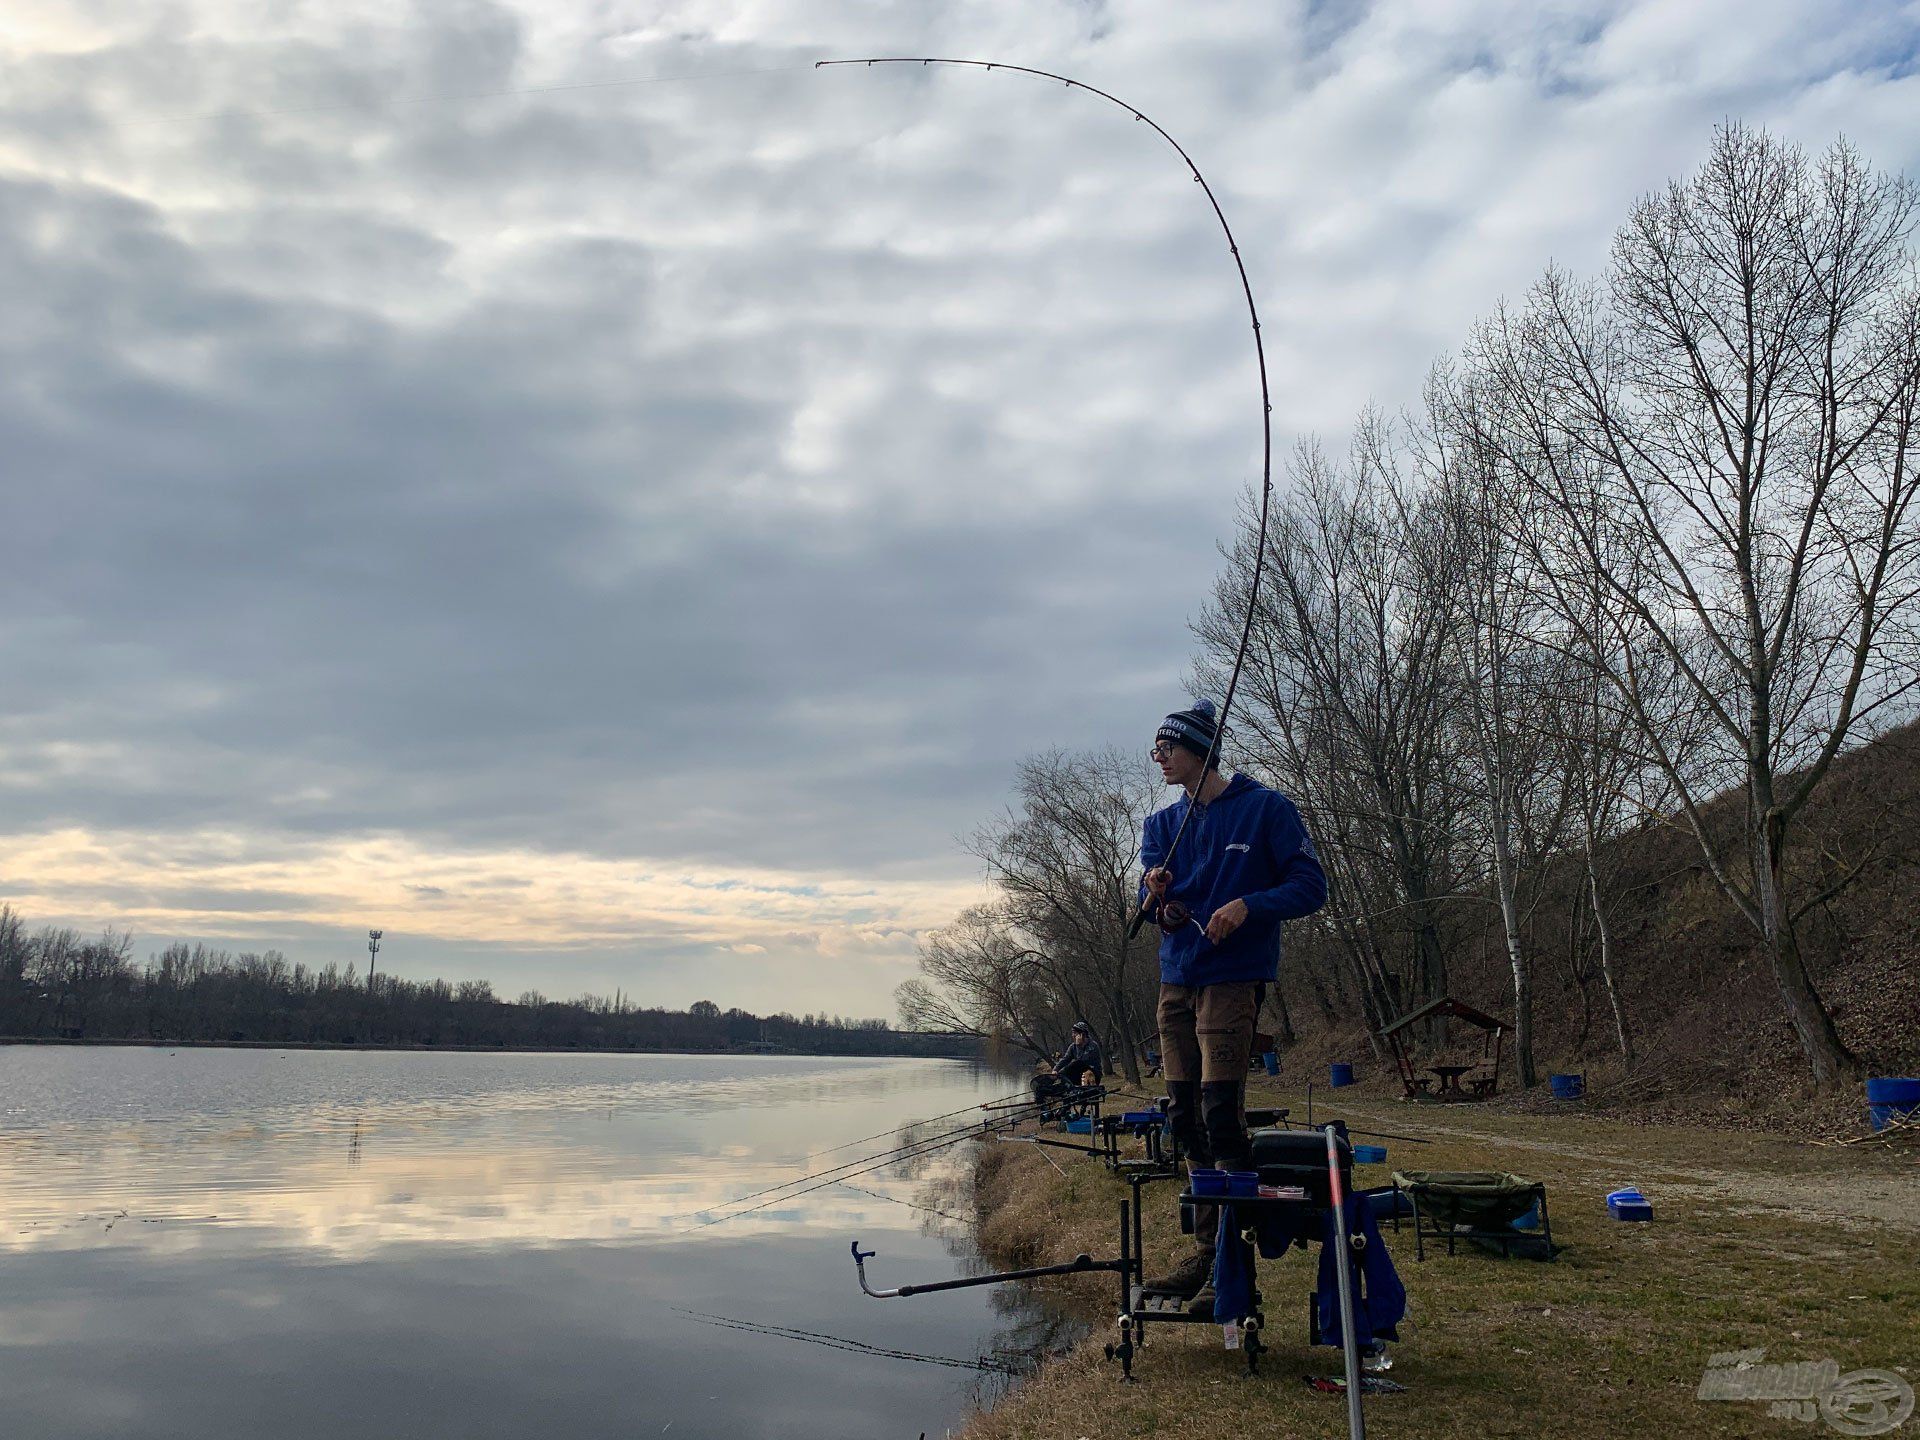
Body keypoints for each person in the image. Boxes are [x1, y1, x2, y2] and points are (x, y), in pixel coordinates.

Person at [1138, 697, 1327, 1305]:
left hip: (1232, 980)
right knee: (1183, 1116)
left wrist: (1249, 906)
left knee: (1223, 1115)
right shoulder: (1162, 828)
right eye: (1157, 748)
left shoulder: (1265, 809)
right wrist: (1162, 904)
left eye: (1168, 747)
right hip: (1178, 980)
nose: (1158, 757)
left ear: (1200, 750)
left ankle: (1233, 1262)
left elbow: (1309, 885)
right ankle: (1205, 1251)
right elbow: (1160, 915)